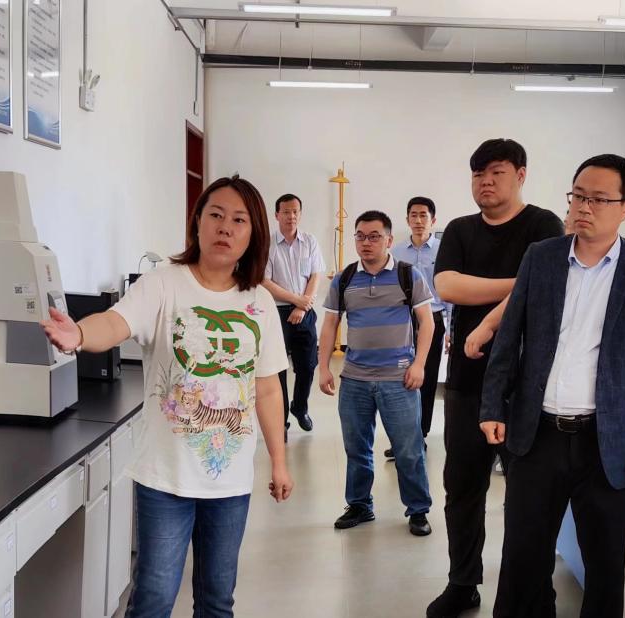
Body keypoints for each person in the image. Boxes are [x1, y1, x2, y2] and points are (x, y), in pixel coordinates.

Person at [40, 176, 294, 618]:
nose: (225, 227)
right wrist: (79, 333)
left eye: (239, 220)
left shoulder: (259, 302)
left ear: (254, 234)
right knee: (153, 599)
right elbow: (115, 322)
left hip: (229, 481)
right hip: (165, 477)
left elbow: (268, 388)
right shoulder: (163, 284)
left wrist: (279, 460)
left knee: (217, 601)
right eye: (216, 215)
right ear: (197, 222)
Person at [473, 154, 625, 617]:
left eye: (599, 199)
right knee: (523, 562)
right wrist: (492, 407)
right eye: (578, 196)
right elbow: (509, 337)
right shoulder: (541, 258)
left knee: (605, 568)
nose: (584, 207)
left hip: (607, 445)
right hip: (537, 437)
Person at [428, 139, 564, 617]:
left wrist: (523, 287)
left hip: (528, 387)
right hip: (467, 381)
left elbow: (551, 288)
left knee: (528, 497)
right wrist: (526, 281)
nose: (485, 182)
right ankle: (462, 582)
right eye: (478, 174)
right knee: (462, 488)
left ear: (521, 175)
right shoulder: (460, 229)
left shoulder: (543, 225)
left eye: (496, 172)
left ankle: (530, 590)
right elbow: (446, 285)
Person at [318, 210, 436, 537]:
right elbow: (329, 325)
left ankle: (418, 510)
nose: (366, 242)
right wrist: (323, 367)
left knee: (408, 449)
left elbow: (427, 322)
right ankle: (359, 504)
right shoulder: (344, 279)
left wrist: (419, 364)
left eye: (374, 236)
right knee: (356, 448)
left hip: (399, 379)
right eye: (360, 236)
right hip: (354, 379)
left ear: (388, 240)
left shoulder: (408, 275)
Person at [384, 196, 451, 459]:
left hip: (433, 320)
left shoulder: (444, 251)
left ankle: (420, 435)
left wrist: (451, 329)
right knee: (401, 379)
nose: (419, 220)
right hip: (403, 320)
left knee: (427, 377)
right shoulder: (397, 252)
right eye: (414, 215)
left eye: (424, 215)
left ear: (433, 220)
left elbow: (449, 294)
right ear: (407, 219)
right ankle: (402, 437)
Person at [261, 193, 325, 439]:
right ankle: (281, 423)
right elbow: (264, 281)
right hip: (277, 313)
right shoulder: (267, 245)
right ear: (277, 215)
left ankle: (300, 407)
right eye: (286, 212)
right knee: (279, 370)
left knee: (307, 366)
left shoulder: (309, 241)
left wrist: (302, 305)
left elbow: (315, 275)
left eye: (295, 211)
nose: (291, 216)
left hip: (305, 312)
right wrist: (296, 300)